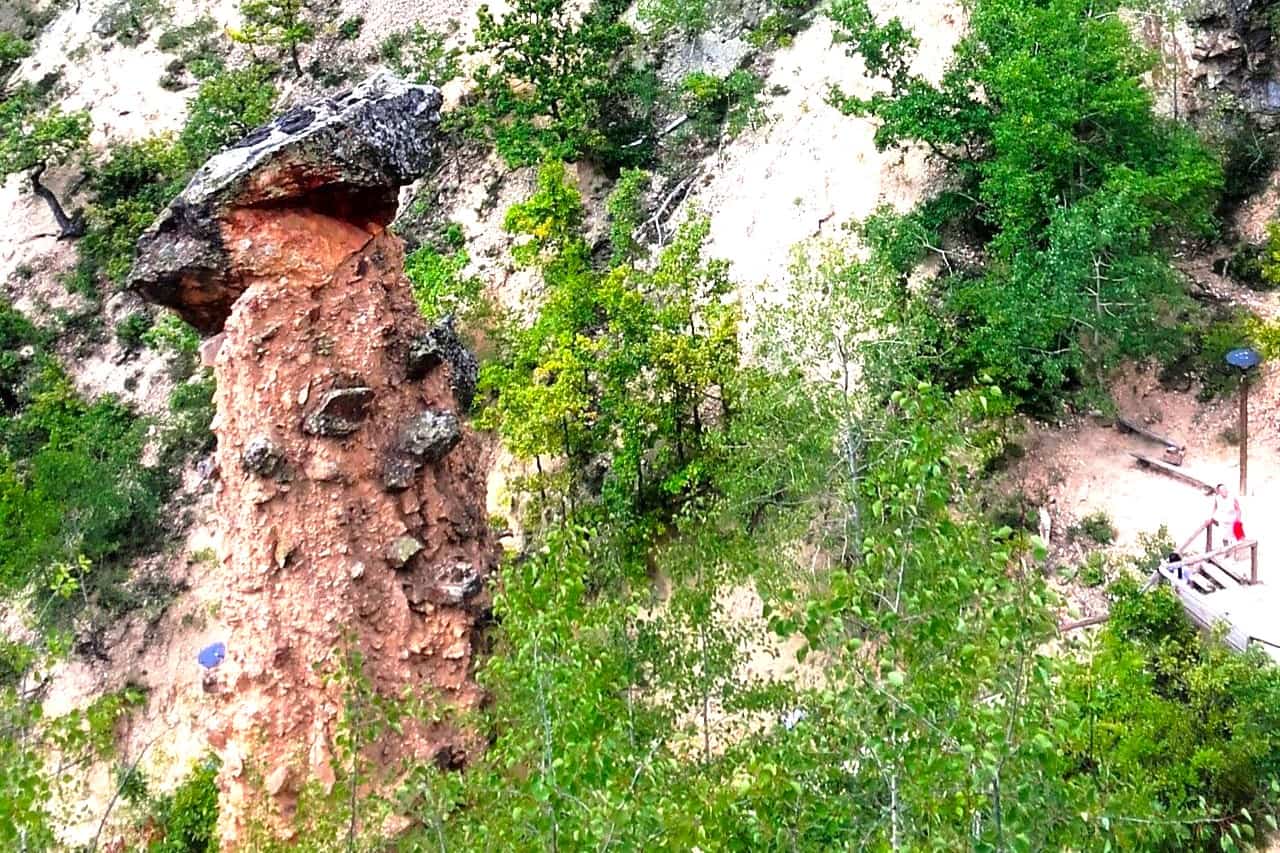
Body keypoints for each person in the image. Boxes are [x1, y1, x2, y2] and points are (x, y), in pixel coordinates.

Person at [1208, 484, 1244, 552]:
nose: (1224, 491)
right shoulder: (1217, 498)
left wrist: (1238, 520)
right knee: (1224, 538)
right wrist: (1212, 516)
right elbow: (1215, 507)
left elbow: (1238, 509)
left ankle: (1238, 553)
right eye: (1222, 490)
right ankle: (1227, 551)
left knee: (1237, 538)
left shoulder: (1232, 498)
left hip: (1233, 519)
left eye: (1225, 489)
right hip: (1224, 520)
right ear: (1219, 492)